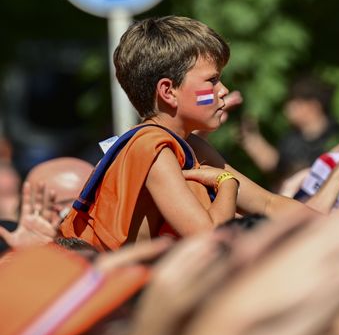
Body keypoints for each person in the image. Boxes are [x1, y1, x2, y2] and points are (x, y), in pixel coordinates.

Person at [59, 16, 317, 252]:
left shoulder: (189, 144)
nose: (223, 90)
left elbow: (269, 204)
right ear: (168, 91)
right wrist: (226, 182)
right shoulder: (152, 147)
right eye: (212, 80)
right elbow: (211, 237)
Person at [240, 75, 339, 186]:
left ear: (313, 106)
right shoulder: (291, 140)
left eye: (295, 104)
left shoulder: (337, 135)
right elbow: (277, 168)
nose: (287, 109)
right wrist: (252, 140)